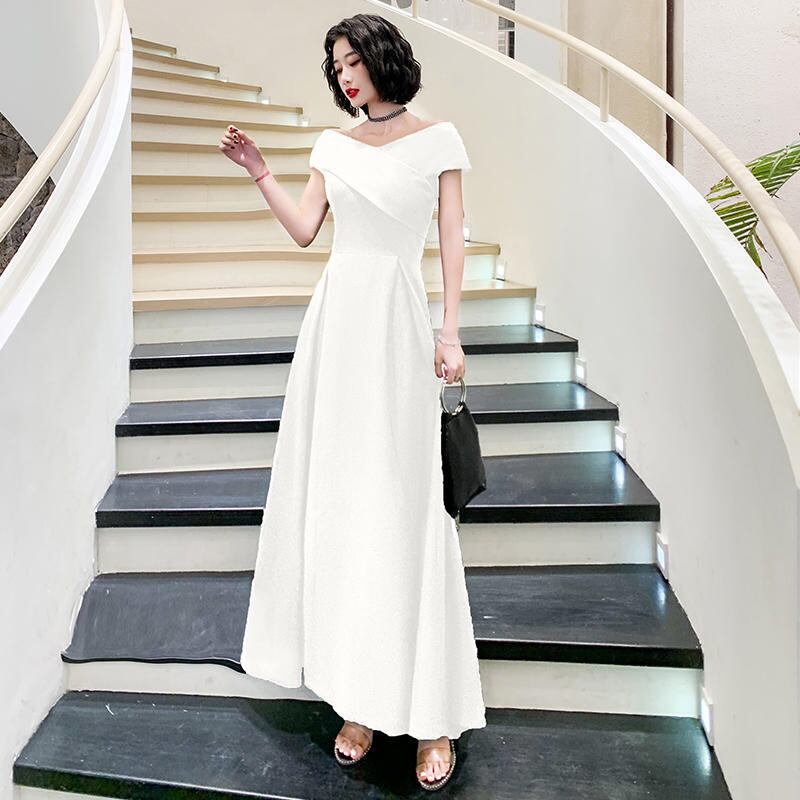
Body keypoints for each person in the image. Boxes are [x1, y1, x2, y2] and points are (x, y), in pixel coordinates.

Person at [218, 12, 486, 791]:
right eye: (335, 66)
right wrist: (261, 173)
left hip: (399, 330)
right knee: (344, 512)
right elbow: (307, 229)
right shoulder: (331, 147)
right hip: (336, 334)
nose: (343, 75)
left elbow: (452, 236)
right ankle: (358, 701)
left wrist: (450, 331)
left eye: (352, 60)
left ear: (381, 58)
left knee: (408, 511)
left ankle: (433, 716)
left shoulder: (440, 141)